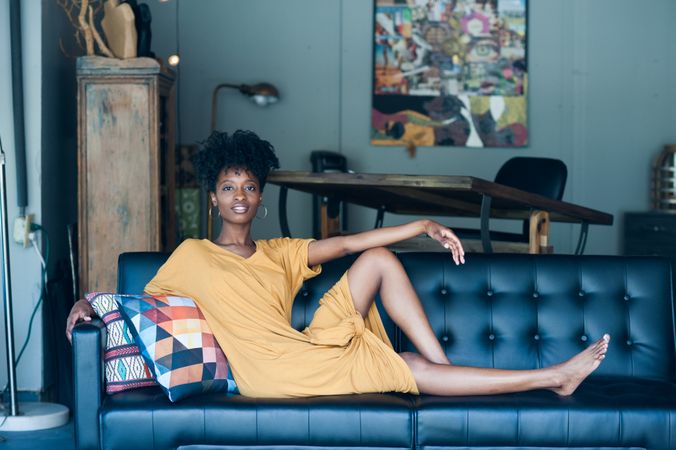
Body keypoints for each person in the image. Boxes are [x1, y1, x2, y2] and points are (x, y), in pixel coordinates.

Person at [66, 130, 610, 398]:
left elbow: (350, 245)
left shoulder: (278, 253)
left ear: (258, 197)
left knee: (375, 258)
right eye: (228, 187)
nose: (239, 196)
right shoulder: (189, 256)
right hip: (272, 373)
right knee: (407, 371)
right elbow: (136, 298)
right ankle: (555, 378)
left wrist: (421, 225)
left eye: (249, 187)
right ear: (213, 198)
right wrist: (86, 301)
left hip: (302, 347)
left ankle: (440, 369)